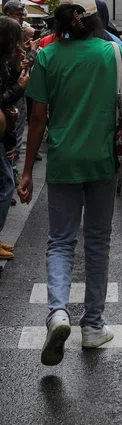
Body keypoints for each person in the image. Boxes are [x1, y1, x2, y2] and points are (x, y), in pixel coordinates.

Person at [18, 0, 122, 365]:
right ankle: (93, 326)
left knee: (60, 242)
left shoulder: (46, 56)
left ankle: (58, 313)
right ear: (95, 20)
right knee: (97, 241)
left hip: (63, 161)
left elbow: (38, 119)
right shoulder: (114, 53)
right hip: (102, 161)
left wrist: (27, 172)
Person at [0, 17, 28, 259]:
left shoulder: (3, 63)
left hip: (1, 133)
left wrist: (17, 66)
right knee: (6, 184)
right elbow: (2, 97)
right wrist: (19, 88)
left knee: (5, 182)